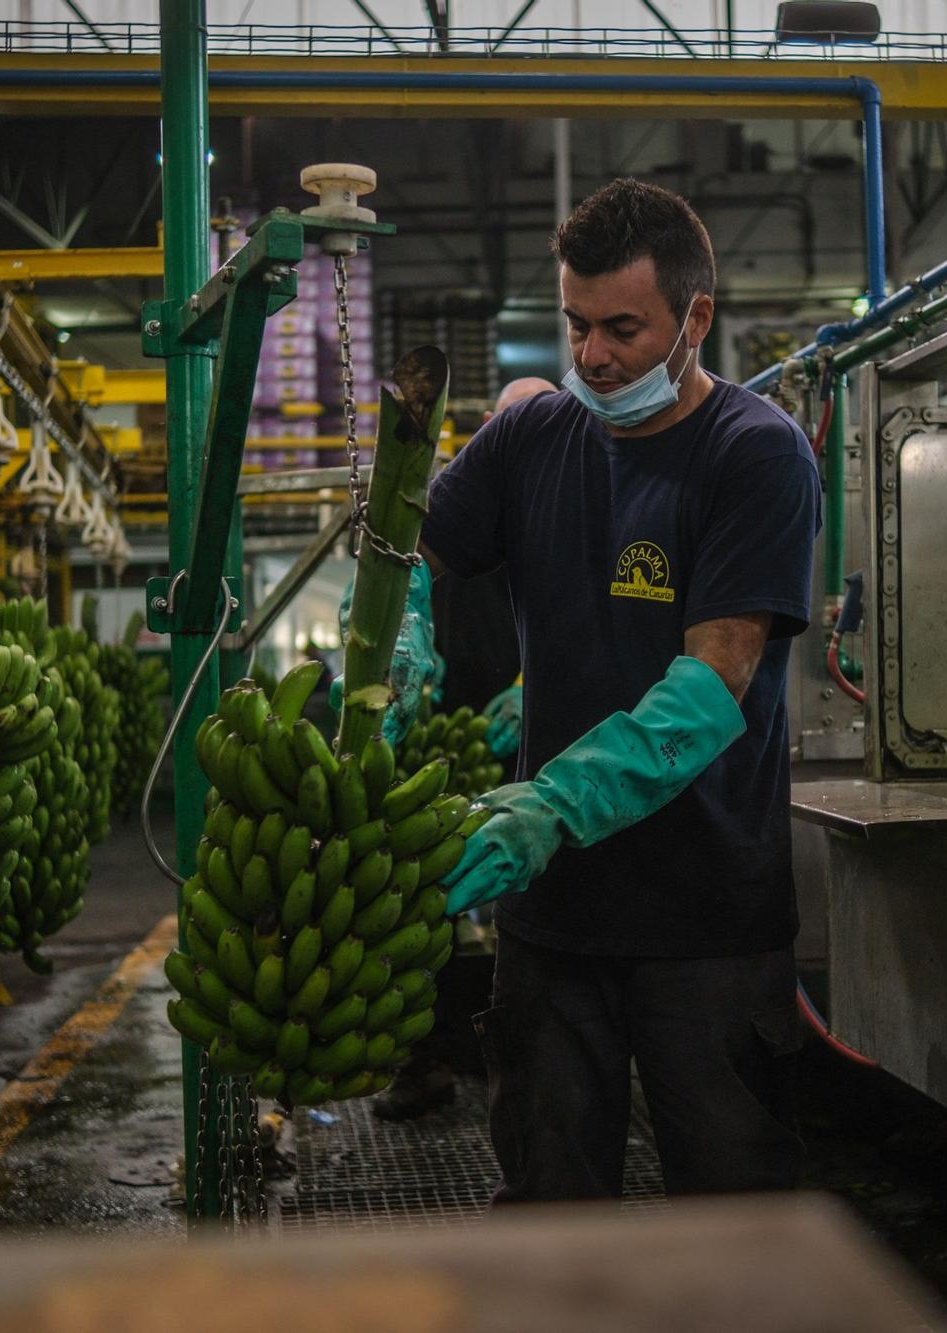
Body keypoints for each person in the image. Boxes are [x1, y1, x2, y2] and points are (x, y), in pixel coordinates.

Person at [412, 178, 821, 1199]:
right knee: (547, 1209)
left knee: (731, 1222)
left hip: (706, 921)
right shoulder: (530, 435)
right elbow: (415, 550)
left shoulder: (753, 452)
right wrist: (398, 643)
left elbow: (712, 682)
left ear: (696, 319)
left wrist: (553, 802)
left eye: (622, 329)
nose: (591, 354)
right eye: (575, 324)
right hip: (553, 926)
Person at [371, 376, 553, 1121]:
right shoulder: (459, 501)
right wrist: (405, 646)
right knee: (426, 901)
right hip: (442, 731)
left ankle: (532, 1056)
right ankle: (428, 1058)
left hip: (533, 741)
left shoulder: (561, 510)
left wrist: (530, 685)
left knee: (534, 901)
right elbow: (400, 566)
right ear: (488, 429)